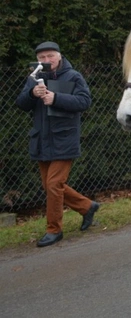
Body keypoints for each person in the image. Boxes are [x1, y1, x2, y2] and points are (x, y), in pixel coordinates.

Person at [15, 41, 99, 247]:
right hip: (41, 140)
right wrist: (31, 94)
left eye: (50, 56)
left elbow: (84, 102)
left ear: (59, 56)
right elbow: (21, 104)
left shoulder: (73, 76)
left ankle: (54, 230)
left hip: (64, 139)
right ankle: (87, 207)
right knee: (50, 185)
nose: (46, 61)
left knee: (53, 184)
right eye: (41, 58)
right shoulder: (34, 77)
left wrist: (56, 98)